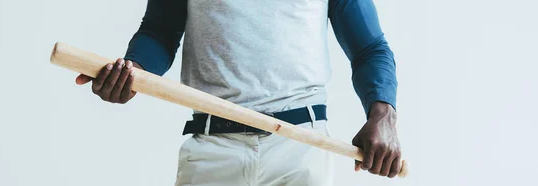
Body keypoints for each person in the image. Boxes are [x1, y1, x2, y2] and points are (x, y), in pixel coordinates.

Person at [75, 0, 401, 185]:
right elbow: (158, 32)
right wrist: (136, 71)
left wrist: (383, 112)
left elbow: (370, 47)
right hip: (212, 149)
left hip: (299, 149)